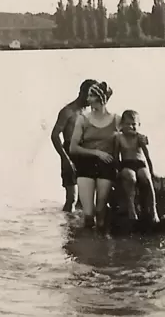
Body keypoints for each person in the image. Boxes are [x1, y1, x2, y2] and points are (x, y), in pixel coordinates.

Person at [69, 81, 119, 229]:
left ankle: (102, 249)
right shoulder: (83, 119)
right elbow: (73, 148)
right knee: (89, 215)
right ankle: (87, 249)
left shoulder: (117, 119)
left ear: (101, 98)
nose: (88, 99)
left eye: (91, 96)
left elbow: (129, 136)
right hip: (86, 165)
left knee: (101, 211)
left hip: (107, 166)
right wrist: (96, 153)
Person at [51, 79, 97, 212]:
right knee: (72, 198)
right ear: (82, 93)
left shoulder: (90, 112)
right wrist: (65, 159)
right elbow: (54, 135)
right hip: (70, 152)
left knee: (86, 199)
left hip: (86, 152)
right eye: (90, 95)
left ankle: (79, 229)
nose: (91, 99)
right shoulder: (68, 111)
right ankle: (66, 230)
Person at [114, 110, 158, 223]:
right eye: (128, 124)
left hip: (140, 163)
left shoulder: (139, 138)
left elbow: (147, 156)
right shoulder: (119, 137)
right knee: (130, 177)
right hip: (126, 164)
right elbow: (115, 156)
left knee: (146, 177)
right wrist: (117, 170)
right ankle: (131, 208)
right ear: (122, 125)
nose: (131, 127)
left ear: (139, 125)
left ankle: (153, 211)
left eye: (134, 124)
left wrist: (152, 171)